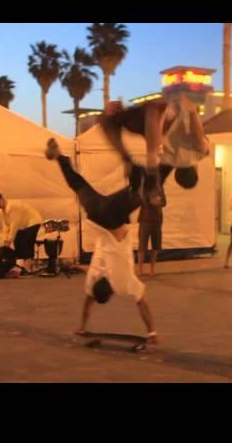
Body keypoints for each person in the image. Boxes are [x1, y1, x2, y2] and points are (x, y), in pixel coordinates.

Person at [44, 138, 159, 344]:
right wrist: (82, 326)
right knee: (78, 185)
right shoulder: (94, 278)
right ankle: (59, 156)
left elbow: (143, 304)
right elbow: (88, 298)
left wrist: (153, 332)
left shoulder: (123, 283)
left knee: (137, 194)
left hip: (113, 217)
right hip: (95, 212)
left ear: (112, 292)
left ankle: (136, 168)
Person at [99, 95, 209, 206]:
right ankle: (126, 156)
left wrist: (193, 112)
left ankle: (139, 155)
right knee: (109, 120)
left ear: (196, 169)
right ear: (176, 173)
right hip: (150, 130)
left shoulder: (197, 156)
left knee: (153, 110)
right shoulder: (169, 161)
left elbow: (198, 138)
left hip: (161, 121)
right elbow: (154, 175)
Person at [0, 193, 42, 273]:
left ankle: (28, 268)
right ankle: (23, 267)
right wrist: (5, 239)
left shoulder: (13, 206)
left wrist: (9, 239)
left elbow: (14, 224)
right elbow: (5, 225)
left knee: (25, 242)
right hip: (23, 225)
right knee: (17, 241)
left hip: (33, 222)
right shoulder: (1, 210)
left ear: (2, 199)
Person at [137, 186, 164, 276]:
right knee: (142, 246)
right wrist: (155, 201)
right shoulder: (144, 187)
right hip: (145, 220)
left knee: (155, 247)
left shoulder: (159, 188)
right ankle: (140, 269)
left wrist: (156, 201)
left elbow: (164, 202)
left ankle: (152, 269)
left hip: (157, 221)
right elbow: (144, 201)